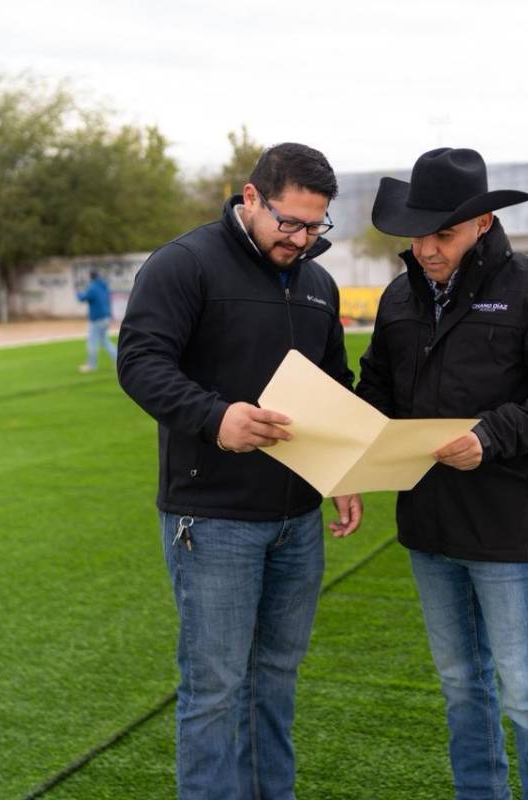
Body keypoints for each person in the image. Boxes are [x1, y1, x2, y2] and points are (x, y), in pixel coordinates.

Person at [355, 148, 528, 800]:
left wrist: (490, 437)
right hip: (427, 530)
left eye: (446, 233)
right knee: (461, 685)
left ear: (483, 225)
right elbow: (377, 393)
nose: (429, 248)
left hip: (504, 529)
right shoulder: (397, 298)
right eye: (420, 233)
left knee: (525, 691)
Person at [116, 142, 363, 800]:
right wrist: (215, 417)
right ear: (249, 198)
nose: (304, 239)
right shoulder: (185, 264)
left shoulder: (317, 281)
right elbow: (139, 363)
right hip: (214, 518)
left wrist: (340, 469)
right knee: (216, 691)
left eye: (317, 226)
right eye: (291, 222)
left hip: (297, 520)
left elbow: (333, 383)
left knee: (275, 682)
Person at [77, 269, 118, 372]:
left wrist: (78, 292)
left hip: (97, 318)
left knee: (92, 342)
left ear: (90, 277)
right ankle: (119, 362)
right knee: (105, 341)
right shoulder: (104, 286)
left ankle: (91, 365)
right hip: (106, 317)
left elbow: (83, 298)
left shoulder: (93, 287)